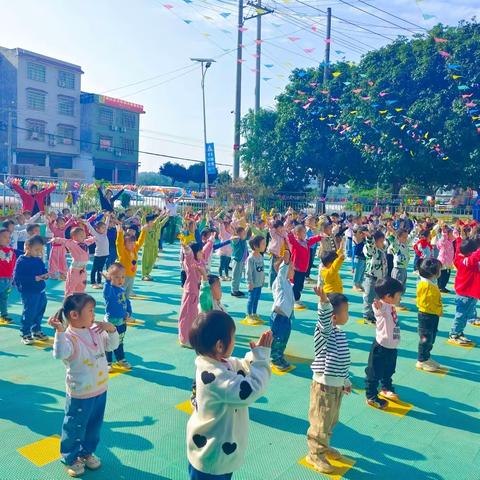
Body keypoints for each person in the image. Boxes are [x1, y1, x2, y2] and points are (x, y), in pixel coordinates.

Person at [187, 310, 272, 479]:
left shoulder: (213, 363)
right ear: (220, 345)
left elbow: (240, 367)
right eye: (233, 337)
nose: (234, 341)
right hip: (213, 456)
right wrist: (262, 360)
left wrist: (255, 354)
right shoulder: (216, 377)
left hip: (216, 451)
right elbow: (252, 388)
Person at [49, 294, 119, 478]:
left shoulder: (95, 330)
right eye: (90, 311)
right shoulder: (69, 337)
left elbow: (112, 346)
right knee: (74, 427)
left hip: (100, 390)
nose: (94, 315)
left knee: (94, 426)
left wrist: (111, 330)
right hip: (80, 394)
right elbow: (59, 354)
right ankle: (71, 458)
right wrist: (59, 332)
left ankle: (87, 453)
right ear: (74, 314)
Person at [306, 287, 351, 474]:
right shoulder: (323, 334)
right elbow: (324, 321)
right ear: (334, 316)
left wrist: (345, 381)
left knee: (331, 420)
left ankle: (324, 447)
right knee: (320, 422)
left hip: (336, 386)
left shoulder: (339, 333)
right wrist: (324, 302)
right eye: (346, 312)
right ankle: (315, 453)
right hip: (323, 387)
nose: (348, 315)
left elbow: (342, 361)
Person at [365, 277, 403, 410]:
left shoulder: (391, 305)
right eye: (398, 295)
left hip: (392, 347)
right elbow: (379, 312)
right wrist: (379, 308)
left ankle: (386, 387)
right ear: (388, 296)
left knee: (389, 369)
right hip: (381, 347)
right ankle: (371, 396)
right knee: (374, 372)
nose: (400, 298)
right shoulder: (381, 307)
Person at [13, 235, 49, 344]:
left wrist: (45, 275)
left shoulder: (38, 260)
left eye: (41, 250)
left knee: (40, 310)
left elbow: (43, 270)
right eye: (37, 250)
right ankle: (25, 333)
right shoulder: (21, 261)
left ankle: (36, 330)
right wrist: (34, 278)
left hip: (40, 290)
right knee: (29, 312)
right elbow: (17, 278)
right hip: (29, 292)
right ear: (28, 247)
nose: (39, 252)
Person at [449, 237, 480, 344]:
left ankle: (459, 332)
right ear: (471, 252)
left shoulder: (461, 257)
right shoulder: (466, 261)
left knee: (465, 315)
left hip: (471, 293)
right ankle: (454, 334)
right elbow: (476, 256)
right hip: (464, 294)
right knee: (461, 315)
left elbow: (458, 246)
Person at [51, 225, 95, 297]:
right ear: (74, 237)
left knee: (82, 284)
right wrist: (56, 239)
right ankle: (68, 298)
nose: (83, 236)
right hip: (75, 270)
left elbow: (91, 240)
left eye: (84, 235)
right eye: (81, 235)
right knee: (71, 285)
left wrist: (93, 238)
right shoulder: (72, 243)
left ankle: (79, 296)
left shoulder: (85, 243)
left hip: (83, 269)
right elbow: (64, 241)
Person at [416, 258, 443, 372]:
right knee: (425, 338)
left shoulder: (431, 282)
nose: (440, 271)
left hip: (432, 315)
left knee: (431, 337)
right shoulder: (426, 285)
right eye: (439, 269)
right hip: (426, 315)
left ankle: (426, 357)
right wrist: (438, 309)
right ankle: (421, 360)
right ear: (433, 273)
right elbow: (425, 303)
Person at [103, 263, 132, 370]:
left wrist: (129, 312)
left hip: (122, 322)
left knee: (119, 341)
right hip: (111, 322)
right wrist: (107, 282)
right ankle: (108, 362)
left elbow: (127, 302)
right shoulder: (110, 290)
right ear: (111, 278)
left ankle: (120, 358)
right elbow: (106, 293)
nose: (120, 280)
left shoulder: (122, 290)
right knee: (109, 343)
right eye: (116, 277)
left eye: (123, 277)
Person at [270, 250, 295, 371]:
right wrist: (286, 260)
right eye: (292, 269)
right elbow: (282, 270)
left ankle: (280, 355)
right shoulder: (281, 281)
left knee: (284, 338)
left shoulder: (287, 283)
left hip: (286, 317)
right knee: (278, 339)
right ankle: (275, 358)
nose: (293, 271)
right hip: (279, 318)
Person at [179, 243, 207, 347]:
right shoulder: (192, 264)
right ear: (195, 253)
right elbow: (188, 258)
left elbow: (207, 251)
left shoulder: (200, 262)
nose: (202, 252)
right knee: (186, 317)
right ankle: (184, 339)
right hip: (190, 293)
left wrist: (211, 241)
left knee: (194, 317)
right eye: (199, 251)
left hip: (197, 293)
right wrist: (187, 250)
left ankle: (191, 337)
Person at [288, 224, 322, 309]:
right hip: (297, 268)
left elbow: (312, 239)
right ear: (297, 234)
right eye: (303, 232)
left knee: (300, 285)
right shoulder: (297, 243)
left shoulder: (306, 242)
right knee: (296, 285)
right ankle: (295, 299)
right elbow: (291, 240)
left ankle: (296, 298)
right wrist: (290, 232)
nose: (304, 234)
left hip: (303, 269)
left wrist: (319, 237)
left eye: (305, 232)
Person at [115, 222, 147, 298]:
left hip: (132, 276)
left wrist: (143, 231)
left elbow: (140, 242)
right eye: (130, 243)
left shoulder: (134, 250)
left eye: (133, 243)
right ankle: (119, 306)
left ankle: (126, 305)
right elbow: (119, 243)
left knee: (127, 294)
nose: (133, 245)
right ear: (124, 244)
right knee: (121, 292)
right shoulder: (122, 252)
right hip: (123, 276)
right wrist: (119, 233)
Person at [362, 230, 387, 324]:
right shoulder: (371, 249)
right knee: (369, 296)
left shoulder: (381, 250)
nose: (382, 243)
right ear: (375, 241)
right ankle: (367, 315)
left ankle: (374, 313)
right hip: (371, 277)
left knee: (377, 297)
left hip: (380, 278)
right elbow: (370, 248)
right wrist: (369, 238)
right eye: (381, 241)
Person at [245, 235, 266, 325]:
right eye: (263, 244)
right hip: (253, 284)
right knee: (251, 299)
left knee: (256, 299)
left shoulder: (261, 256)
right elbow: (248, 272)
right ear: (255, 246)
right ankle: (249, 315)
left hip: (259, 283)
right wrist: (250, 282)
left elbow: (262, 269)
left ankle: (254, 313)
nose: (265, 245)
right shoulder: (251, 258)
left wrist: (263, 280)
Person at [47, 213, 76, 280]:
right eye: (61, 223)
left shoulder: (63, 228)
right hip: (55, 248)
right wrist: (51, 221)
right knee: (53, 260)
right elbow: (51, 226)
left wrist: (72, 218)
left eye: (63, 223)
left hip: (62, 248)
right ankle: (52, 273)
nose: (63, 225)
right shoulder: (54, 229)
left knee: (62, 260)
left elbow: (68, 223)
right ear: (56, 224)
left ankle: (62, 273)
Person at [141, 212, 169, 281]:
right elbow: (143, 222)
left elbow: (160, 222)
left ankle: (147, 273)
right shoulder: (145, 228)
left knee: (152, 260)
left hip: (154, 246)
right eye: (151, 221)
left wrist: (167, 216)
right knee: (145, 260)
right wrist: (144, 216)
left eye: (153, 221)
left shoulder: (155, 227)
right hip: (147, 247)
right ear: (147, 222)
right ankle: (144, 274)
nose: (153, 222)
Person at [86, 214, 111, 288]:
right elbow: (91, 228)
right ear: (97, 229)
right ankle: (93, 282)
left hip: (105, 255)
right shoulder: (96, 235)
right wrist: (87, 223)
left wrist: (108, 217)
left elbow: (106, 224)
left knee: (100, 269)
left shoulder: (104, 234)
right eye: (102, 228)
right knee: (94, 269)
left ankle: (99, 282)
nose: (104, 229)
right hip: (98, 255)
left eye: (104, 228)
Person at [0, 228, 16, 324]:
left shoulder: (11, 251)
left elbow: (13, 264)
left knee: (4, 297)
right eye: (4, 237)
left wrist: (13, 277)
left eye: (9, 237)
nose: (7, 239)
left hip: (9, 279)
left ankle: (4, 315)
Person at [230, 227, 248, 298]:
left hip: (241, 260)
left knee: (239, 276)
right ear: (239, 234)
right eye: (243, 233)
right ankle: (234, 291)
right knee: (235, 276)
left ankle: (236, 289)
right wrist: (235, 234)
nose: (245, 235)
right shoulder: (236, 240)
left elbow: (245, 232)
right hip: (237, 260)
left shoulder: (243, 240)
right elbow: (232, 238)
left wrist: (247, 227)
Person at [436, 227, 455, 293]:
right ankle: (440, 286)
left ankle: (443, 286)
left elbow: (455, 236)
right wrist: (444, 233)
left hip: (448, 262)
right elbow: (442, 240)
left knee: (447, 275)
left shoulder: (451, 241)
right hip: (443, 261)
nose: (452, 235)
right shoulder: (444, 241)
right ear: (447, 234)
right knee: (442, 275)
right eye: (451, 234)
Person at [352, 226, 367, 292]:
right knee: (357, 272)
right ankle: (355, 285)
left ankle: (360, 284)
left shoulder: (365, 239)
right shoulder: (358, 238)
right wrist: (360, 231)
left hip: (364, 258)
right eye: (364, 233)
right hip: (358, 257)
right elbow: (356, 234)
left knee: (362, 272)